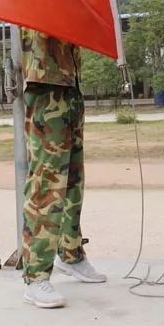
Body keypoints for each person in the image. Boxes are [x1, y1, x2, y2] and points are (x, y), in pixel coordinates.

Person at [19, 28, 105, 309]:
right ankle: (35, 276)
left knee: (72, 181)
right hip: (45, 86)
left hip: (69, 85)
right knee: (47, 183)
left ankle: (70, 253)